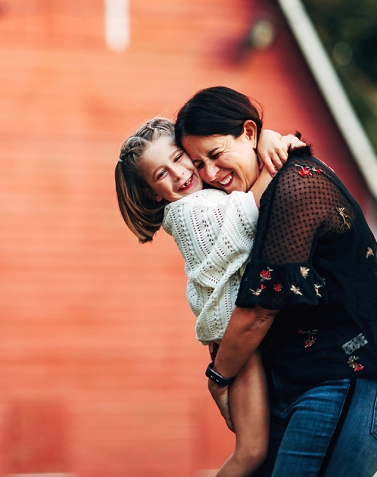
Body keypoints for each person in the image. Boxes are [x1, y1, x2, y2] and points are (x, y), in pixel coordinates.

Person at [174, 87, 377, 477]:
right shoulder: (243, 197)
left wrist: (219, 377)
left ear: (249, 133)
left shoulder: (297, 185)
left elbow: (259, 310)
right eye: (198, 163)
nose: (209, 174)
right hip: (296, 387)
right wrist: (266, 139)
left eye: (216, 155)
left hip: (348, 382)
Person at [114, 117, 301, 477]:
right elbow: (249, 215)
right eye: (160, 175)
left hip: (242, 334)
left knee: (266, 445)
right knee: (251, 451)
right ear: (154, 193)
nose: (178, 174)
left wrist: (265, 142)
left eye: (179, 158)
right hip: (237, 342)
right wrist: (277, 149)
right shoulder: (188, 213)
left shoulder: (208, 195)